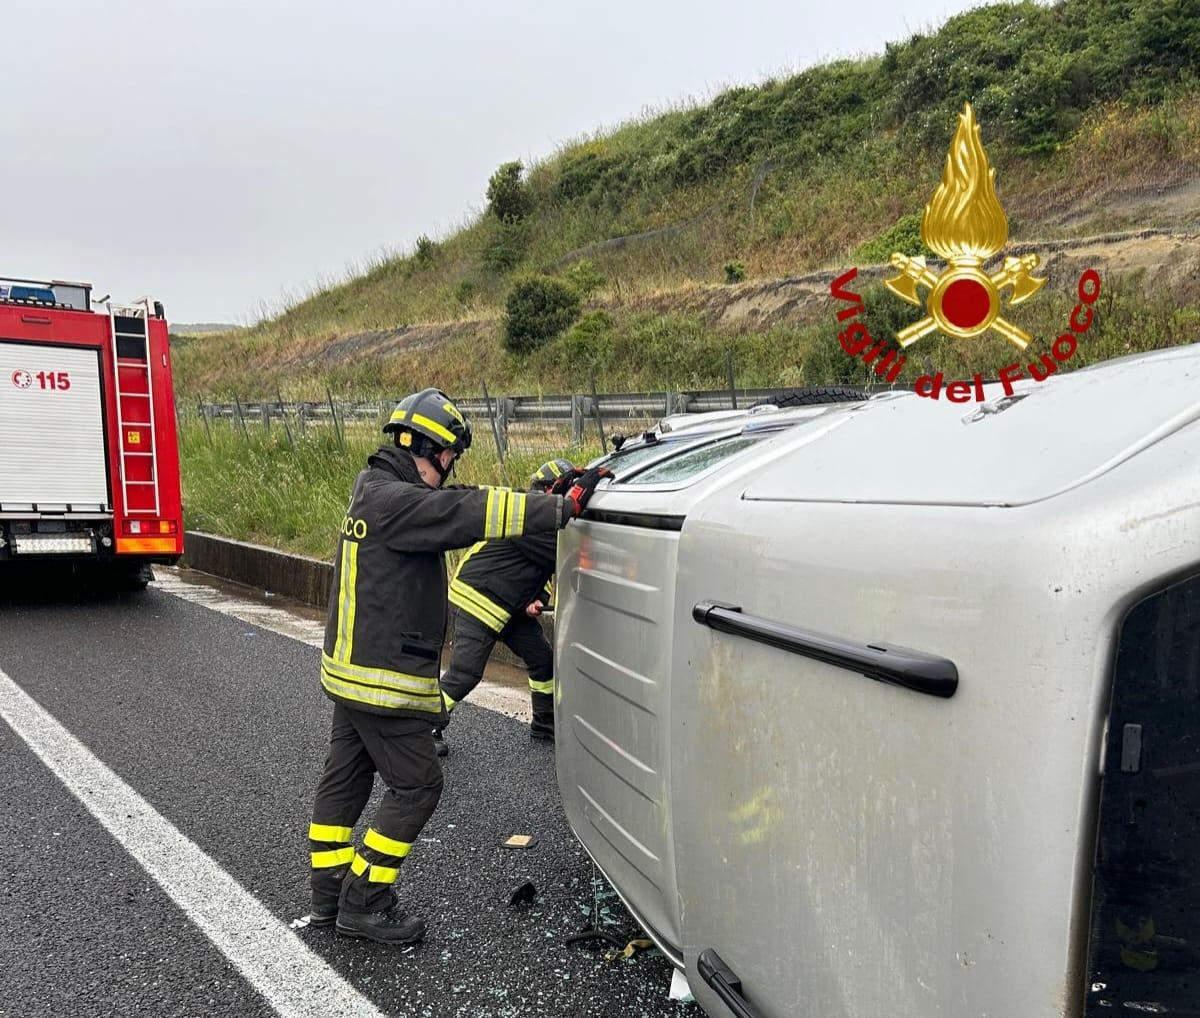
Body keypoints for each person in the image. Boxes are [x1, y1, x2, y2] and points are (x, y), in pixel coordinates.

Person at [305, 389, 608, 945]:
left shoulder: (372, 489)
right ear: (432, 449)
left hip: (349, 673)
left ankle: (328, 892)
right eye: (450, 456)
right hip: (381, 681)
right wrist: (559, 509)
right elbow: (467, 511)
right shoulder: (398, 503)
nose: (450, 468)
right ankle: (364, 900)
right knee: (418, 787)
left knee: (346, 780)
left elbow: (455, 502)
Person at [437, 458, 577, 750]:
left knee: (542, 659)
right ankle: (424, 730)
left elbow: (541, 571)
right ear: (552, 490)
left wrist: (538, 599)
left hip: (508, 606)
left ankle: (545, 723)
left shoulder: (536, 517)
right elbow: (559, 557)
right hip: (478, 599)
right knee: (465, 674)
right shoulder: (531, 522)